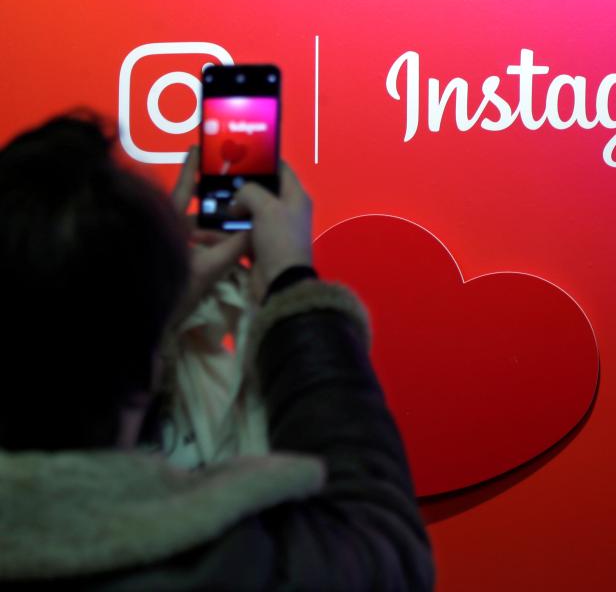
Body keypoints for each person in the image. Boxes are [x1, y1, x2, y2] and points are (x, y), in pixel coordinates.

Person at [0, 112, 434, 591]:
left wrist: (150, 310)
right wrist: (291, 282)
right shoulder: (239, 567)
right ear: (148, 368)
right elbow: (381, 543)